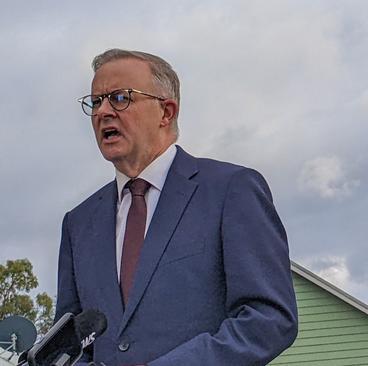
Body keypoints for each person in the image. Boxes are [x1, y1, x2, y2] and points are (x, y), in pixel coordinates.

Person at [55, 49, 298, 366]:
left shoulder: (231, 190)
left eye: (119, 98)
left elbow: (269, 319)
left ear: (166, 112)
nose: (102, 111)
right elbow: (69, 346)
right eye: (95, 101)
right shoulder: (78, 223)